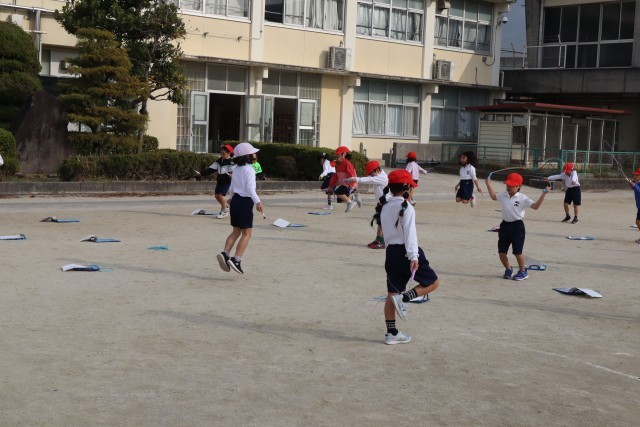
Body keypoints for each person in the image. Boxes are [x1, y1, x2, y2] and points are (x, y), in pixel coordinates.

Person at [378, 169, 440, 345]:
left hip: (391, 253)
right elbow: (410, 235)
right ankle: (404, 298)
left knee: (392, 293)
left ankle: (391, 333)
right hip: (407, 252)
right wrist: (414, 257)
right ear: (407, 188)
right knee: (433, 282)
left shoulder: (385, 206)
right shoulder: (407, 208)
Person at [486, 172, 549, 281]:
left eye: (512, 185)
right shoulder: (504, 195)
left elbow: (535, 207)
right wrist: (488, 184)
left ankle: (523, 271)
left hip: (517, 227)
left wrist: (543, 194)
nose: (509, 187)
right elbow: (493, 196)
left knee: (517, 252)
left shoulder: (523, 198)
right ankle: (508, 269)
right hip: (504, 226)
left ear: (518, 186)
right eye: (507, 185)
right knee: (501, 252)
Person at [216, 142, 264, 275]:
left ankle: (225, 253)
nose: (255, 154)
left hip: (235, 201)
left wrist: (231, 198)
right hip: (245, 202)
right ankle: (236, 260)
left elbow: (232, 187)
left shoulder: (236, 169)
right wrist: (258, 202)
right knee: (247, 234)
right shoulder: (250, 170)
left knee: (235, 231)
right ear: (247, 156)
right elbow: (250, 189)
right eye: (253, 153)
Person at [345, 160, 388, 249]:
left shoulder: (382, 177)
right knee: (380, 222)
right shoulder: (377, 176)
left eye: (371, 173)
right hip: (381, 203)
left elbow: (368, 180)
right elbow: (369, 178)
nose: (370, 175)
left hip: (386, 203)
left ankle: (381, 241)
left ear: (376, 170)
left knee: (383, 222)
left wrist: (355, 179)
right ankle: (379, 239)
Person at [195, 144, 235, 219]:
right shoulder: (219, 161)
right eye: (221, 153)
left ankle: (224, 210)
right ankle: (225, 206)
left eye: (224, 154)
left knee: (220, 195)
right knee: (216, 196)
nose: (222, 155)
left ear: (229, 153)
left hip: (227, 181)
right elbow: (211, 169)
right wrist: (201, 173)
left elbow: (235, 172)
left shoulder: (231, 162)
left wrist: (232, 175)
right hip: (219, 180)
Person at [328, 146, 361, 213]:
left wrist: (351, 185)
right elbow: (336, 176)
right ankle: (354, 198)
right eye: (336, 155)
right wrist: (331, 185)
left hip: (350, 185)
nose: (337, 156)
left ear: (344, 154)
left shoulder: (347, 164)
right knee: (339, 200)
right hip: (344, 184)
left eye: (338, 155)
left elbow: (352, 175)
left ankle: (350, 202)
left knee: (337, 192)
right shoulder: (339, 164)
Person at [626, 167, 640, 243]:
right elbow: (635, 189)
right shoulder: (637, 183)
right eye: (635, 175)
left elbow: (639, 190)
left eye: (637, 175)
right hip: (639, 206)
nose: (634, 176)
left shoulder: (637, 184)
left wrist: (633, 184)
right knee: (638, 222)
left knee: (638, 221)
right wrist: (631, 184)